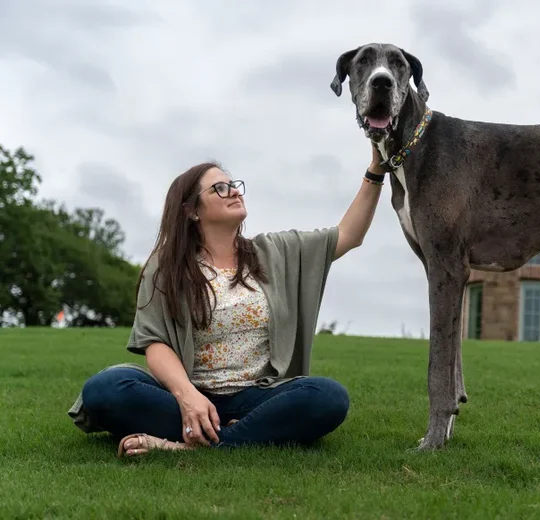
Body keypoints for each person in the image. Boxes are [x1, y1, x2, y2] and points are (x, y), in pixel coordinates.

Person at [67, 143, 386, 457]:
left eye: (234, 185)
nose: (234, 191)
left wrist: (375, 171)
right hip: (185, 396)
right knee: (104, 389)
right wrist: (187, 396)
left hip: (256, 397)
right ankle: (238, 433)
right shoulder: (166, 266)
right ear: (192, 210)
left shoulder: (275, 251)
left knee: (328, 397)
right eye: (219, 188)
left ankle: (189, 445)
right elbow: (155, 343)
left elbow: (348, 235)